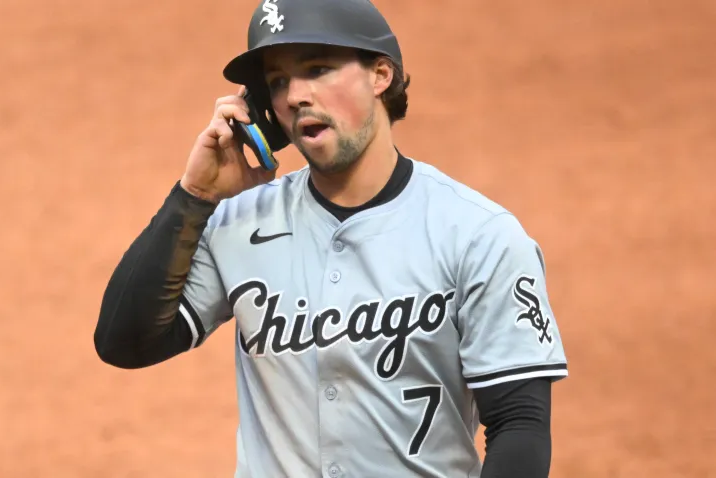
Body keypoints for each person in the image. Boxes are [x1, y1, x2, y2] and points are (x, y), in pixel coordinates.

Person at [93, 0, 569, 476]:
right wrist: (194, 196)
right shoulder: (239, 222)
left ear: (380, 75)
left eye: (317, 69)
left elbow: (519, 424)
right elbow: (126, 342)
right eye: (278, 81)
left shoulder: (476, 235)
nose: (296, 95)